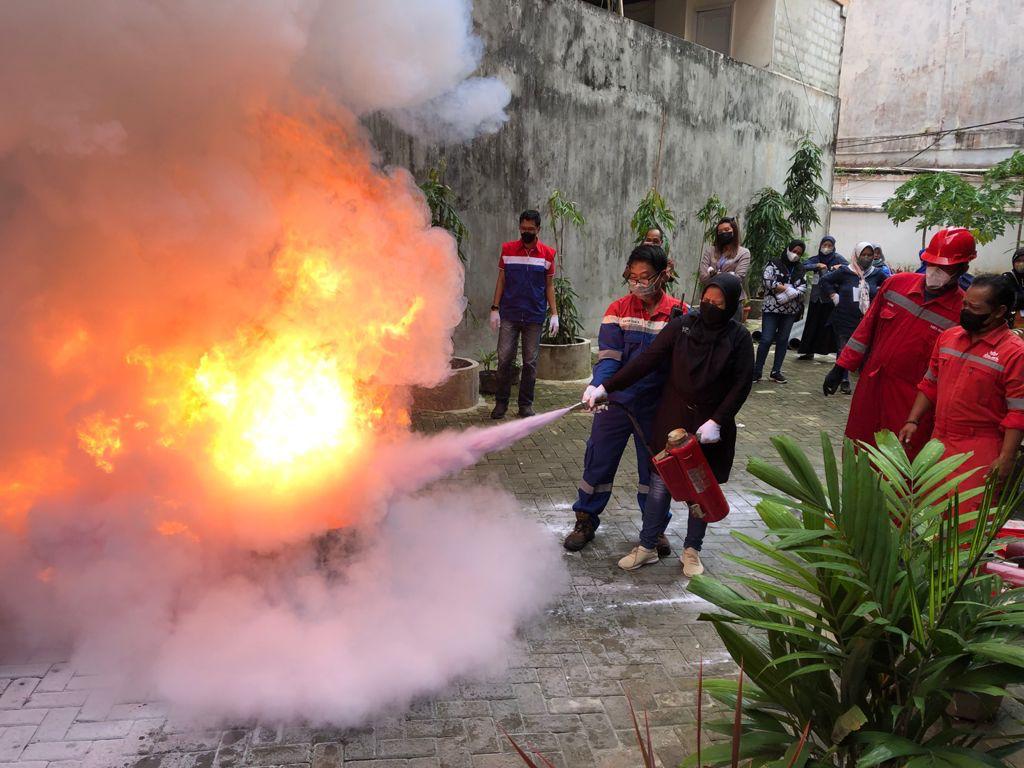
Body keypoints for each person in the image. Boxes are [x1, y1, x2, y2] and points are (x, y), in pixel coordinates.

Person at [582, 273, 754, 577]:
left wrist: (718, 420)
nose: (710, 306)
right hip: (673, 419)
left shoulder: (738, 338)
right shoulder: (683, 326)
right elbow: (646, 361)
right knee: (659, 485)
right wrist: (606, 386)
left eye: (718, 303)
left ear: (730, 306)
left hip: (709, 427)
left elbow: (741, 385)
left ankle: (692, 550)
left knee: (700, 491)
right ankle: (647, 546)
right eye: (707, 299)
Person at [564, 245, 685, 553]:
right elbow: (609, 358)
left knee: (655, 470)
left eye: (645, 277)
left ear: (662, 276)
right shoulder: (617, 310)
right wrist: (598, 385)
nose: (638, 283)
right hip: (615, 402)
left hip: (656, 407)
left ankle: (655, 529)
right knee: (598, 461)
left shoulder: (679, 314)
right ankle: (585, 519)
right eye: (633, 277)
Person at [822, 227, 976, 458]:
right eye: (932, 263)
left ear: (962, 269)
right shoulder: (896, 285)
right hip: (872, 384)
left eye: (945, 267)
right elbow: (866, 329)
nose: (936, 271)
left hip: (913, 401)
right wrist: (840, 367)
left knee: (899, 461)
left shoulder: (961, 313)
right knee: (857, 448)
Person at [899, 274, 1024, 513]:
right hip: (938, 442)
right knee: (929, 518)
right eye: (964, 304)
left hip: (980, 449)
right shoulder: (948, 338)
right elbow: (930, 383)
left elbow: (1019, 413)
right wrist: (912, 421)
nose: (965, 310)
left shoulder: (1015, 353)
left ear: (999, 311)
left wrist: (1006, 458)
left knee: (965, 521)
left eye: (974, 308)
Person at [489, 210, 559, 419]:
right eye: (523, 228)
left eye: (531, 229)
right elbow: (501, 279)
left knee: (530, 362)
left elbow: (549, 285)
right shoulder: (508, 249)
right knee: (504, 359)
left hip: (534, 315)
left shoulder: (548, 254)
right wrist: (495, 308)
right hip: (509, 313)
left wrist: (554, 314)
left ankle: (525, 405)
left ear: (538, 229)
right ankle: (501, 403)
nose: (526, 232)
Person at [818, 242, 887, 394]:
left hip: (865, 320)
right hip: (844, 318)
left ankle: (864, 383)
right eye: (863, 254)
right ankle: (843, 379)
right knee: (843, 349)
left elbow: (890, 285)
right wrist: (833, 295)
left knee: (865, 352)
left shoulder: (876, 274)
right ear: (856, 255)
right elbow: (825, 280)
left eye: (870, 255)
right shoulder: (845, 271)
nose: (867, 258)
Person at [754, 239, 807, 383]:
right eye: (794, 251)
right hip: (771, 309)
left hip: (790, 311)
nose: (795, 255)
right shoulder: (773, 263)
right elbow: (767, 281)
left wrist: (790, 294)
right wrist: (787, 289)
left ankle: (776, 371)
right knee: (766, 339)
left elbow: (803, 287)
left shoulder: (800, 268)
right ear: (788, 249)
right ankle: (757, 371)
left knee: (783, 340)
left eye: (799, 253)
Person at [797, 236, 847, 360]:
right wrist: (817, 265)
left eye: (830, 246)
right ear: (820, 245)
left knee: (829, 327)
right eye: (825, 245)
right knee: (812, 325)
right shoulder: (816, 258)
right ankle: (808, 351)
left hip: (830, 298)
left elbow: (848, 267)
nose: (826, 248)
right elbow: (802, 266)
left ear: (834, 247)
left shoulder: (838, 258)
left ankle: (833, 352)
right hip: (816, 297)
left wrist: (839, 267)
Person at [698, 217, 750, 321]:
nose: (723, 233)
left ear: (734, 231)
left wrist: (714, 274)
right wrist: (728, 275)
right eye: (720, 232)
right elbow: (703, 277)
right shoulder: (710, 251)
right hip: (710, 301)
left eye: (727, 230)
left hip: (732, 301)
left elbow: (738, 278)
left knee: (731, 330)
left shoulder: (743, 253)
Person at [1003, 247, 1024, 328]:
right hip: (1011, 319)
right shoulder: (1007, 277)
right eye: (1018, 260)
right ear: (1013, 262)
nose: (1021, 263)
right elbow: (1012, 300)